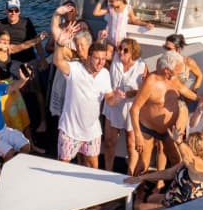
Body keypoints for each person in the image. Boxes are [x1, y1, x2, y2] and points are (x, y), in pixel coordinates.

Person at [0, 0, 48, 128]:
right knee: (19, 88)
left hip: (29, 59)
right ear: (6, 11)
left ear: (19, 11)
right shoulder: (0, 24)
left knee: (37, 88)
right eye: (10, 10)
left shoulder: (26, 22)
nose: (13, 13)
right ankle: (24, 117)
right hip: (11, 61)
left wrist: (42, 59)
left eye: (16, 10)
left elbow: (32, 43)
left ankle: (43, 120)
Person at [53, 27, 115, 169]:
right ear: (89, 57)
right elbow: (58, 61)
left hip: (92, 132)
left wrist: (116, 98)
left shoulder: (105, 74)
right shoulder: (75, 69)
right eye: (97, 59)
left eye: (103, 59)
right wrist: (60, 45)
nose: (101, 62)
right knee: (62, 167)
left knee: (93, 168)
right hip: (70, 131)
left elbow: (110, 100)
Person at [128, 50, 190, 175]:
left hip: (168, 129)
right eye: (177, 70)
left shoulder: (174, 79)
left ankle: (175, 185)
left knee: (176, 160)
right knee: (143, 164)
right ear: (167, 70)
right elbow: (134, 109)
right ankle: (135, 186)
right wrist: (138, 135)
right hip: (148, 128)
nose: (180, 73)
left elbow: (189, 94)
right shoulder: (151, 81)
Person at [123, 131, 203, 210]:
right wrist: (141, 177)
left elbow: (188, 157)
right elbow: (168, 173)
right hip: (174, 198)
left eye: (187, 143)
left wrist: (179, 142)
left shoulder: (198, 164)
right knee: (151, 198)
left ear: (194, 147)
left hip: (182, 208)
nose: (185, 144)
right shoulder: (188, 163)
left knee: (138, 208)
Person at [103, 38, 147, 173]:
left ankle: (130, 174)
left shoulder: (142, 66)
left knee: (131, 143)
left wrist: (131, 93)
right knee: (109, 142)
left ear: (133, 52)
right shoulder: (115, 58)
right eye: (120, 48)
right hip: (113, 104)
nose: (121, 52)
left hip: (130, 107)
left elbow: (146, 89)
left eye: (125, 50)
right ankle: (107, 171)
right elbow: (102, 50)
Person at [163, 33, 203, 101]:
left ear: (178, 49)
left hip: (180, 98)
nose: (167, 51)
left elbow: (200, 75)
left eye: (169, 49)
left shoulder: (188, 62)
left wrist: (194, 91)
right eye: (165, 48)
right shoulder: (163, 61)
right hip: (163, 97)